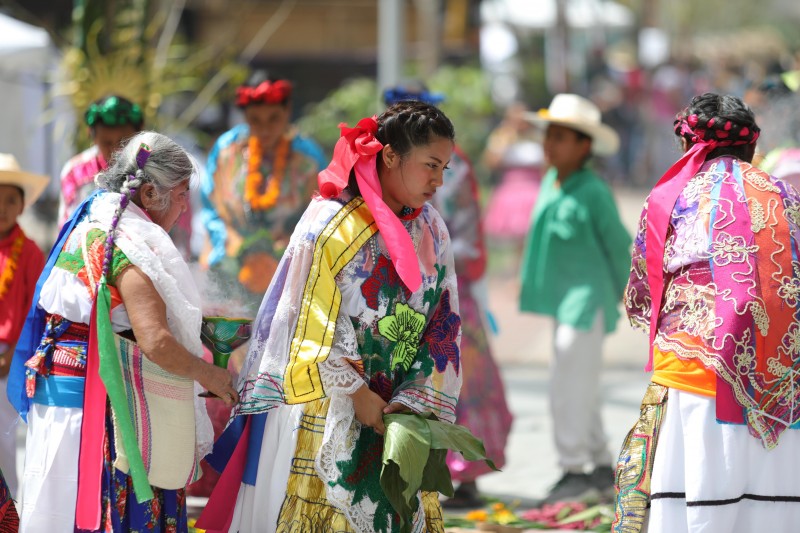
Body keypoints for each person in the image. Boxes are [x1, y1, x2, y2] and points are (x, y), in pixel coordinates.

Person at [197, 101, 462, 533]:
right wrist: (356, 392)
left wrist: (414, 396)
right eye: (431, 165)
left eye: (444, 168)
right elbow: (308, 315)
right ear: (390, 156)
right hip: (327, 404)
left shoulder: (431, 227)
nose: (438, 180)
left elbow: (444, 317)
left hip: (396, 409)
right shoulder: (330, 221)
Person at [7, 132, 238, 532]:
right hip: (98, 409)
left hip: (60, 401)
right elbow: (156, 341)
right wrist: (211, 375)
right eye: (181, 195)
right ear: (149, 194)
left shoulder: (91, 224)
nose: (185, 207)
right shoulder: (129, 244)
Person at [615, 93, 800, 533]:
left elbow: (642, 291)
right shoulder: (787, 195)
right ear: (752, 145)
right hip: (782, 383)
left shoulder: (671, 197)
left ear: (688, 145)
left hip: (695, 373)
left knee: (695, 505)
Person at [383, 85, 513, 508]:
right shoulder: (376, 165)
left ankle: (463, 471)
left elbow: (467, 232)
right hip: (388, 293)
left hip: (445, 288)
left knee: (459, 374)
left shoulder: (452, 168)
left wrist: (435, 271)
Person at [519, 93, 631, 504]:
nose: (549, 144)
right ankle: (600, 466)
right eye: (548, 135)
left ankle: (573, 469)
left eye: (560, 137)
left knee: (567, 386)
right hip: (564, 300)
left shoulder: (593, 190)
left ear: (585, 146)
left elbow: (619, 245)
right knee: (580, 383)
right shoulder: (552, 180)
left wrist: (633, 295)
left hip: (586, 301)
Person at [200, 71, 327, 316]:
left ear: (288, 112)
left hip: (289, 272)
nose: (265, 129)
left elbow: (321, 215)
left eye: (274, 118)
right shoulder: (227, 150)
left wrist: (286, 249)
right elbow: (211, 208)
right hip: (230, 267)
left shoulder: (308, 158)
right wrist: (235, 248)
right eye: (255, 120)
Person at [0, 154, 48, 500]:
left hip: (9, 357)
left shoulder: (30, 253)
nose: (2, 208)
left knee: (4, 439)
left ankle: (6, 513)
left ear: (22, 205)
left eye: (10, 200)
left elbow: (36, 310)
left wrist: (14, 354)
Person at [58, 95, 144, 226]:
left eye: (123, 142)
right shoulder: (75, 172)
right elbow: (67, 226)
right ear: (92, 136)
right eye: (106, 143)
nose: (116, 150)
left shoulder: (152, 169)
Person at [482, 102, 545, 249]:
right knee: (518, 240)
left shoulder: (538, 137)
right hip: (512, 190)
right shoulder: (502, 136)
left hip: (535, 189)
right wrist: (503, 142)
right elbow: (490, 162)